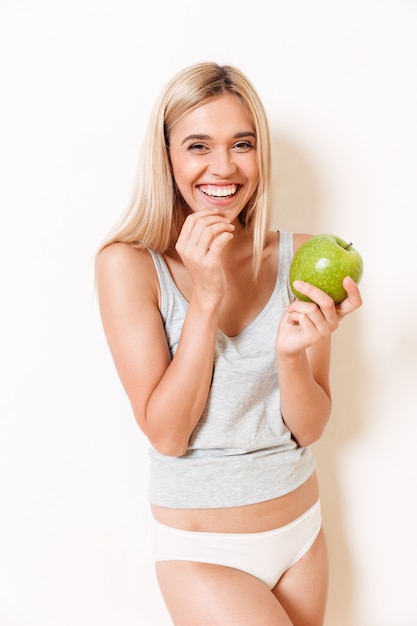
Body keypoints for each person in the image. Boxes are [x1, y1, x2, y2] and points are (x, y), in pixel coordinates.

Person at [95, 61, 362, 626]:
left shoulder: (303, 255)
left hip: (300, 536)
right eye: (198, 146)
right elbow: (166, 433)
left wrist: (291, 356)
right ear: (167, 157)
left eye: (242, 143)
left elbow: (309, 427)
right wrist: (207, 298)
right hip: (203, 553)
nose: (223, 167)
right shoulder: (129, 266)